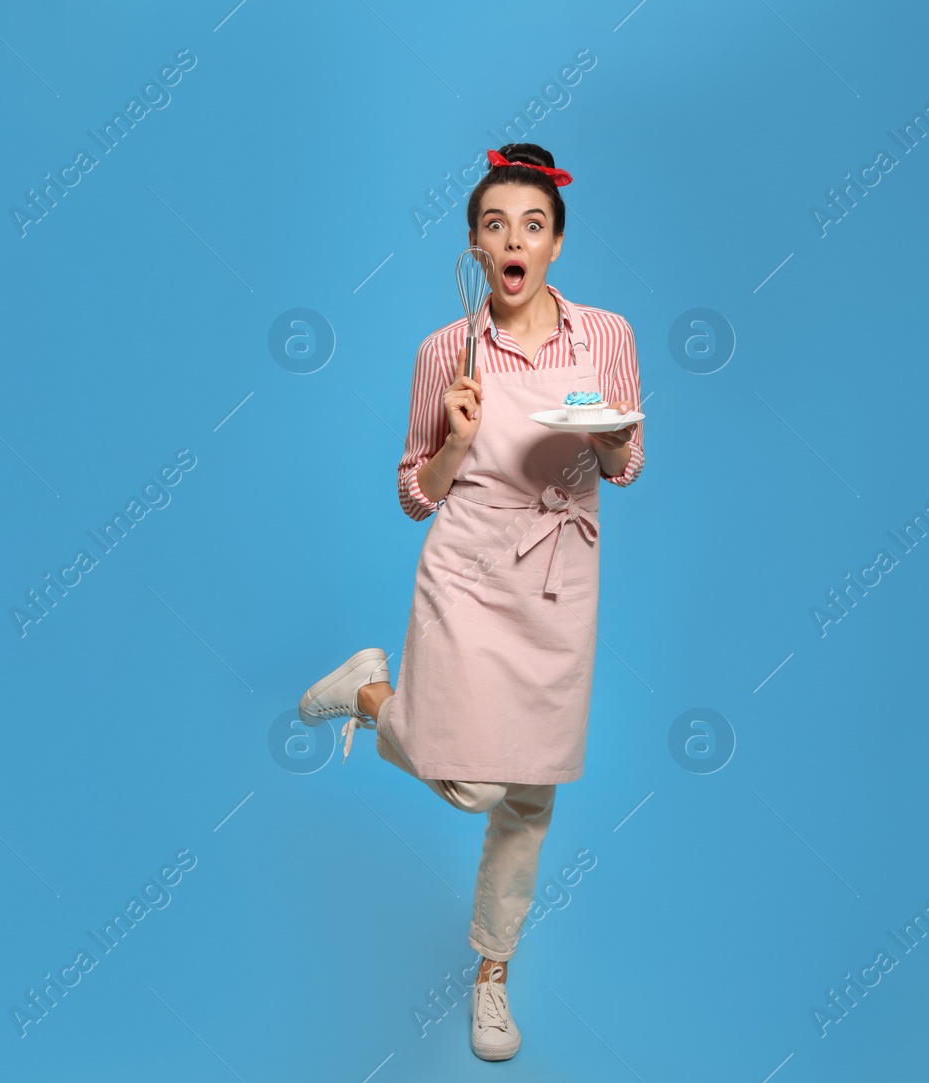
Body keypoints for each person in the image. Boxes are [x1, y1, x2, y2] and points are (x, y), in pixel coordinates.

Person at [298, 143, 644, 1063]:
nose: (514, 239)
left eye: (533, 224)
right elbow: (415, 492)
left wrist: (610, 440)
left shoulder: (605, 336)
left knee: (527, 797)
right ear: (475, 246)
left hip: (559, 577)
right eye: (496, 225)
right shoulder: (443, 349)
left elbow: (628, 464)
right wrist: (451, 443)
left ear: (557, 243)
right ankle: (371, 692)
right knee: (473, 779)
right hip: (466, 567)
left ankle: (492, 974)